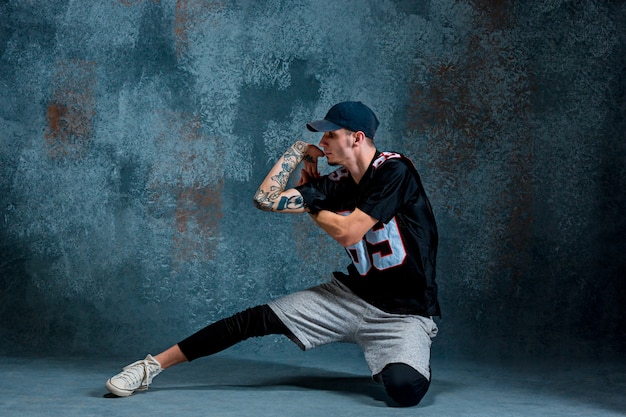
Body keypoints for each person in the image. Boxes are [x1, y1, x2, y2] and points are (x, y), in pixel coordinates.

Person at [105, 101, 440, 407]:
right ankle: (150, 367)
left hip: (403, 314)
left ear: (357, 138)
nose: (322, 143)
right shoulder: (337, 182)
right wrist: (296, 153)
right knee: (254, 319)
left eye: (330, 135)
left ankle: (396, 356)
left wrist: (311, 205)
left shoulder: (395, 171)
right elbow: (265, 199)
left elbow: (349, 231)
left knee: (404, 388)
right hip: (351, 297)